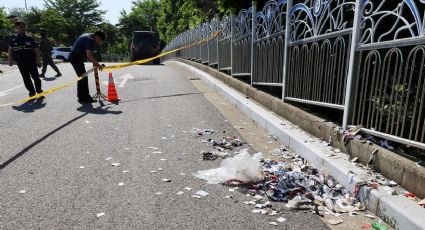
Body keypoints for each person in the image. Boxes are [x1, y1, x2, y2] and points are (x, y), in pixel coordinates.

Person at [8, 20, 44, 98]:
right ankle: (32, 93)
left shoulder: (29, 37)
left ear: (25, 28)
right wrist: (10, 60)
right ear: (16, 28)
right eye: (19, 27)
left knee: (36, 77)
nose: (21, 28)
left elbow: (36, 50)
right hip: (21, 62)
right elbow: (10, 50)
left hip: (31, 61)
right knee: (26, 78)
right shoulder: (13, 38)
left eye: (22, 27)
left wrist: (39, 61)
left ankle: (39, 92)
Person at [69, 30, 105, 103]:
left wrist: (94, 63)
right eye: (100, 40)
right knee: (83, 77)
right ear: (97, 36)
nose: (99, 42)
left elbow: (89, 54)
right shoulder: (90, 40)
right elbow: (89, 55)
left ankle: (81, 97)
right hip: (75, 57)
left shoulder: (89, 36)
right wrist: (98, 65)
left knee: (82, 77)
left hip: (77, 57)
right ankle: (85, 97)